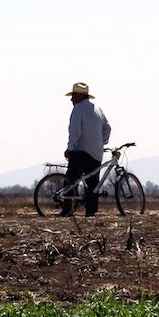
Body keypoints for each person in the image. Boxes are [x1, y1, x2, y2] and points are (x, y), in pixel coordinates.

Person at [62, 82, 111, 217]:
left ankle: (67, 208)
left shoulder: (78, 109)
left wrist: (70, 148)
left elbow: (75, 130)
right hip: (96, 154)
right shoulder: (98, 109)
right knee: (93, 183)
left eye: (73, 96)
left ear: (79, 96)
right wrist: (101, 142)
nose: (71, 99)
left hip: (80, 152)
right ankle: (91, 211)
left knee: (71, 180)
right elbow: (107, 128)